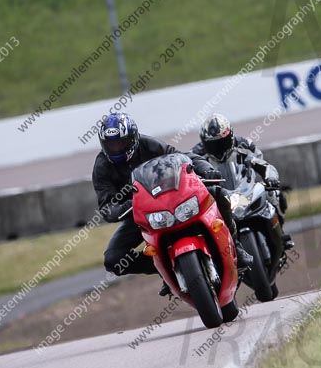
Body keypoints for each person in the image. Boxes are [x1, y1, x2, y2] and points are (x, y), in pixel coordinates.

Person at [93, 112, 252, 297]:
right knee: (113, 260)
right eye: (111, 144)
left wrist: (206, 170)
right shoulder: (102, 166)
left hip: (176, 199)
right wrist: (123, 207)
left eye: (120, 142)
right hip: (143, 213)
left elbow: (182, 157)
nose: (116, 148)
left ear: (132, 137)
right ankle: (165, 269)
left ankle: (236, 247)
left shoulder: (149, 145)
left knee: (219, 193)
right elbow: (106, 205)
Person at [192, 113, 293, 248]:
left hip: (245, 188)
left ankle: (281, 232)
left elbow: (263, 164)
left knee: (274, 193)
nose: (219, 148)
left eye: (222, 142)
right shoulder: (195, 155)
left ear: (231, 137)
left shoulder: (245, 145)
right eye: (213, 145)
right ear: (205, 143)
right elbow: (190, 179)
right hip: (219, 197)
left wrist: (271, 178)